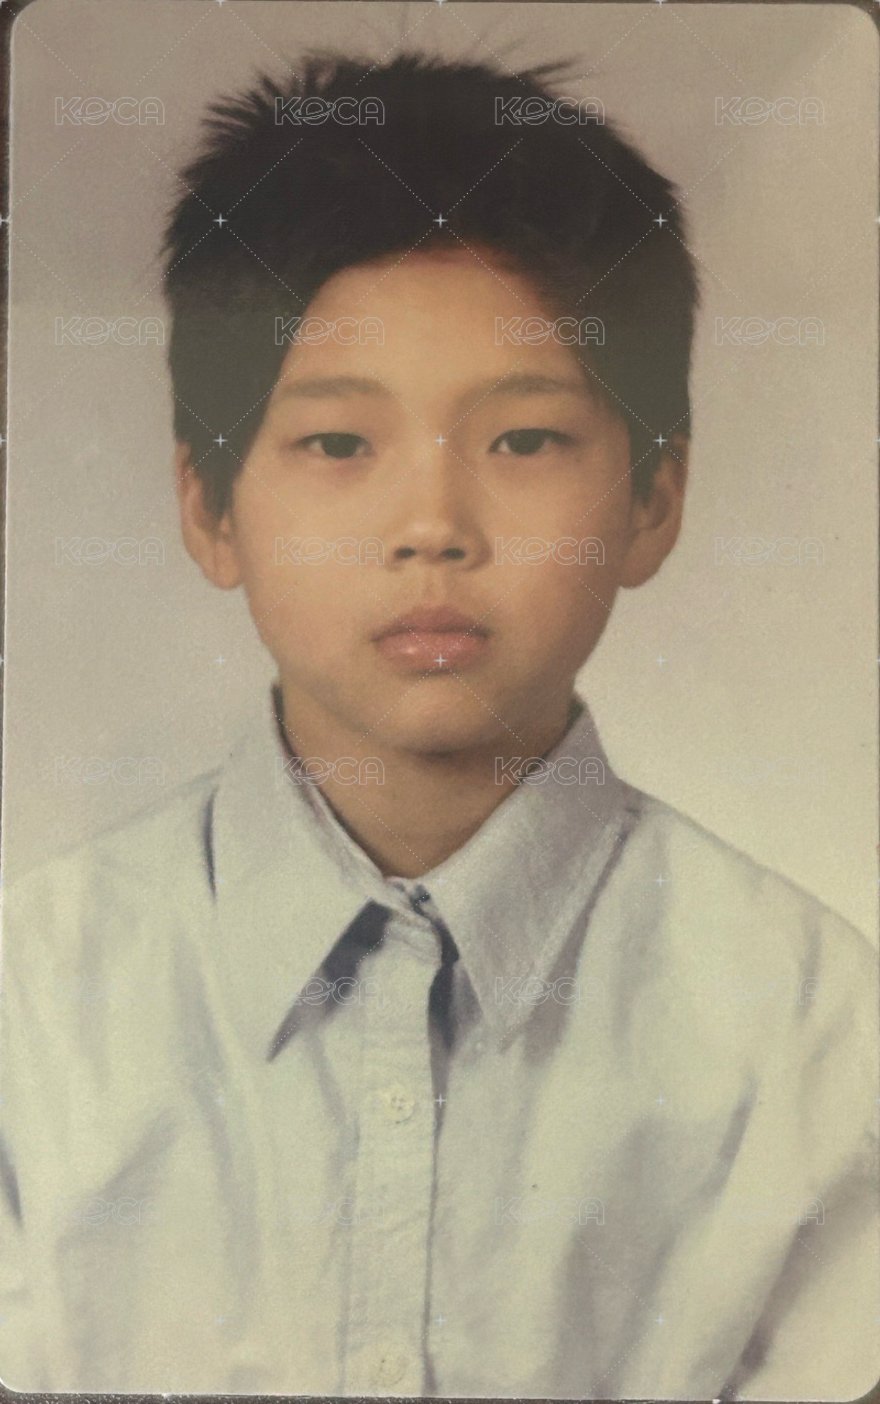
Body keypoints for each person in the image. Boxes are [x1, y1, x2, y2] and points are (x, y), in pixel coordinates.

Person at [0, 50, 876, 1400]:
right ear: (210, 508)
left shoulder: (813, 1028)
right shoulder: (36, 1006)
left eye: (523, 441)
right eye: (338, 445)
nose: (432, 527)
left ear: (653, 499)